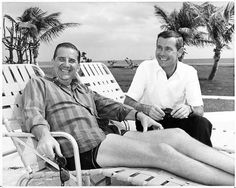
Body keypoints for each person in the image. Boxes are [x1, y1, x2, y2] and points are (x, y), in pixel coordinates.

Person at [22, 42, 234, 185]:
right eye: (61, 59)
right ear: (53, 61)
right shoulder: (39, 84)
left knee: (177, 134)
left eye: (72, 61)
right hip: (82, 150)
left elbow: (110, 105)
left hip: (108, 137)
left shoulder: (82, 88)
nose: (66, 65)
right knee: (163, 152)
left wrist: (139, 114)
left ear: (78, 64)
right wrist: (44, 135)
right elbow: (33, 112)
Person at [124, 30, 212, 146]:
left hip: (176, 119)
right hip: (150, 121)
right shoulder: (145, 67)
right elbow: (127, 102)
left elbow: (199, 110)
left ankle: (203, 158)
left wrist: (189, 109)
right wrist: (146, 109)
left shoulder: (189, 72)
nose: (162, 53)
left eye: (168, 49)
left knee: (202, 123)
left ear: (179, 52)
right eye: (159, 47)